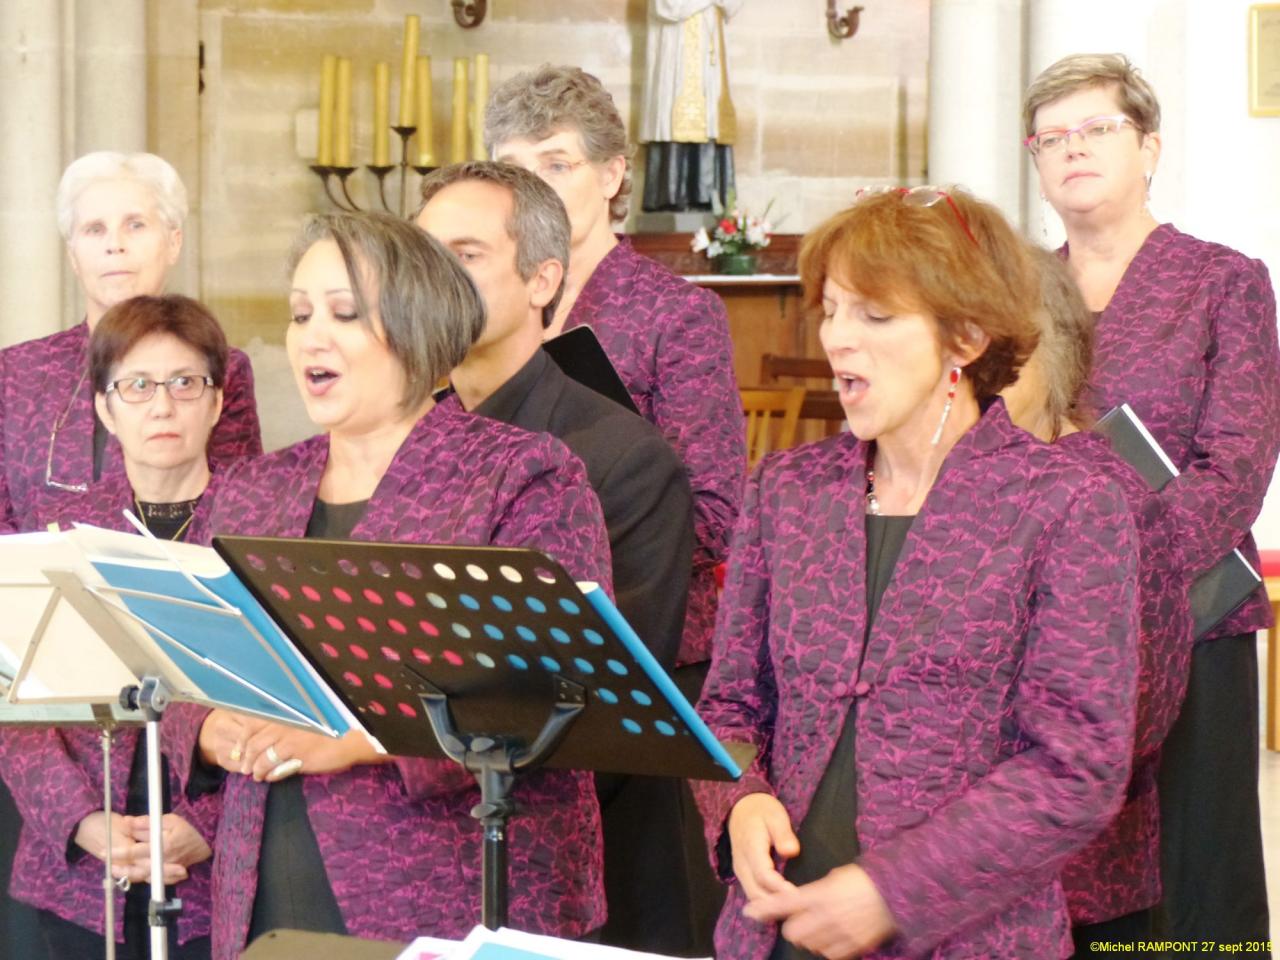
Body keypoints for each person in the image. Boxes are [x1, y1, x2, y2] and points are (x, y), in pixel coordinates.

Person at [693, 187, 1140, 959]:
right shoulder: (787, 490)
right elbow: (728, 708)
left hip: (968, 937)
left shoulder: (1069, 503)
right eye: (830, 310)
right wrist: (739, 801)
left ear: (964, 337)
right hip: (777, 930)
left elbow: (1077, 766)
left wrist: (890, 891)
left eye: (874, 315)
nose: (838, 339)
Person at [160, 212, 611, 959]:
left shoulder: (522, 474)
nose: (311, 336)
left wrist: (358, 738)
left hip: (453, 880)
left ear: (417, 328)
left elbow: (557, 687)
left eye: (344, 313)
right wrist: (206, 730)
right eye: (301, 313)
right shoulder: (250, 489)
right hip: (264, 873)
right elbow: (178, 665)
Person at [1023, 53, 1279, 949]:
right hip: (1048, 622)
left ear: (1149, 148)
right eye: (1052, 138)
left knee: (1193, 865)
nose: (1074, 150)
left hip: (1188, 612)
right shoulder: (1021, 292)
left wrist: (1124, 568)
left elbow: (1239, 462)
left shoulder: (1222, 279)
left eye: (1097, 130)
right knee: (1067, 856)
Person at [417, 160, 699, 953]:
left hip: (582, 868)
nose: (434, 278)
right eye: (423, 253)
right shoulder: (403, 439)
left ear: (543, 279)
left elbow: (607, 703)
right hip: (424, 851)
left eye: (465, 254)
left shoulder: (623, 458)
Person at [485, 65, 746, 675]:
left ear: (611, 175)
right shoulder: (483, 312)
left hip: (641, 629)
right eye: (512, 168)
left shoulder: (677, 314)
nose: (533, 189)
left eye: (556, 163)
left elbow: (714, 515)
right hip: (503, 619)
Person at [0, 293, 234, 959]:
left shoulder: (262, 526)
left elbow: (287, 712)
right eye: (137, 385)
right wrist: (83, 821)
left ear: (217, 401)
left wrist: (204, 826)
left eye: (185, 383)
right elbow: (14, 704)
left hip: (211, 878)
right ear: (105, 406)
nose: (162, 405)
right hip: (73, 871)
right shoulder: (55, 531)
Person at [1003, 247, 1193, 954]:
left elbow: (1130, 725)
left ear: (1049, 350)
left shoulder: (1108, 495)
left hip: (1078, 892)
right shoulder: (956, 481)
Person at [640, 0, 745, 212]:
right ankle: (670, 195)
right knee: (675, 114)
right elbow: (667, 6)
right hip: (677, 46)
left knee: (709, 119)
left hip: (709, 51)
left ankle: (706, 195)